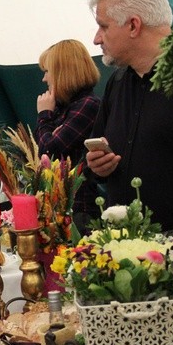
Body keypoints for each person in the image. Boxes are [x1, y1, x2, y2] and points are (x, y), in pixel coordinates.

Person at [87, 0, 173, 245]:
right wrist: (97, 166)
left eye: (104, 26)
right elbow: (96, 150)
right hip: (121, 245)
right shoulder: (117, 82)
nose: (97, 39)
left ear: (134, 26)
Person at [35, 39, 102, 232]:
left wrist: (44, 116)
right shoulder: (64, 107)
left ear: (63, 72)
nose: (44, 79)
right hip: (60, 206)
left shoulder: (88, 105)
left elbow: (48, 152)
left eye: (47, 72)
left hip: (78, 210)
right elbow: (45, 145)